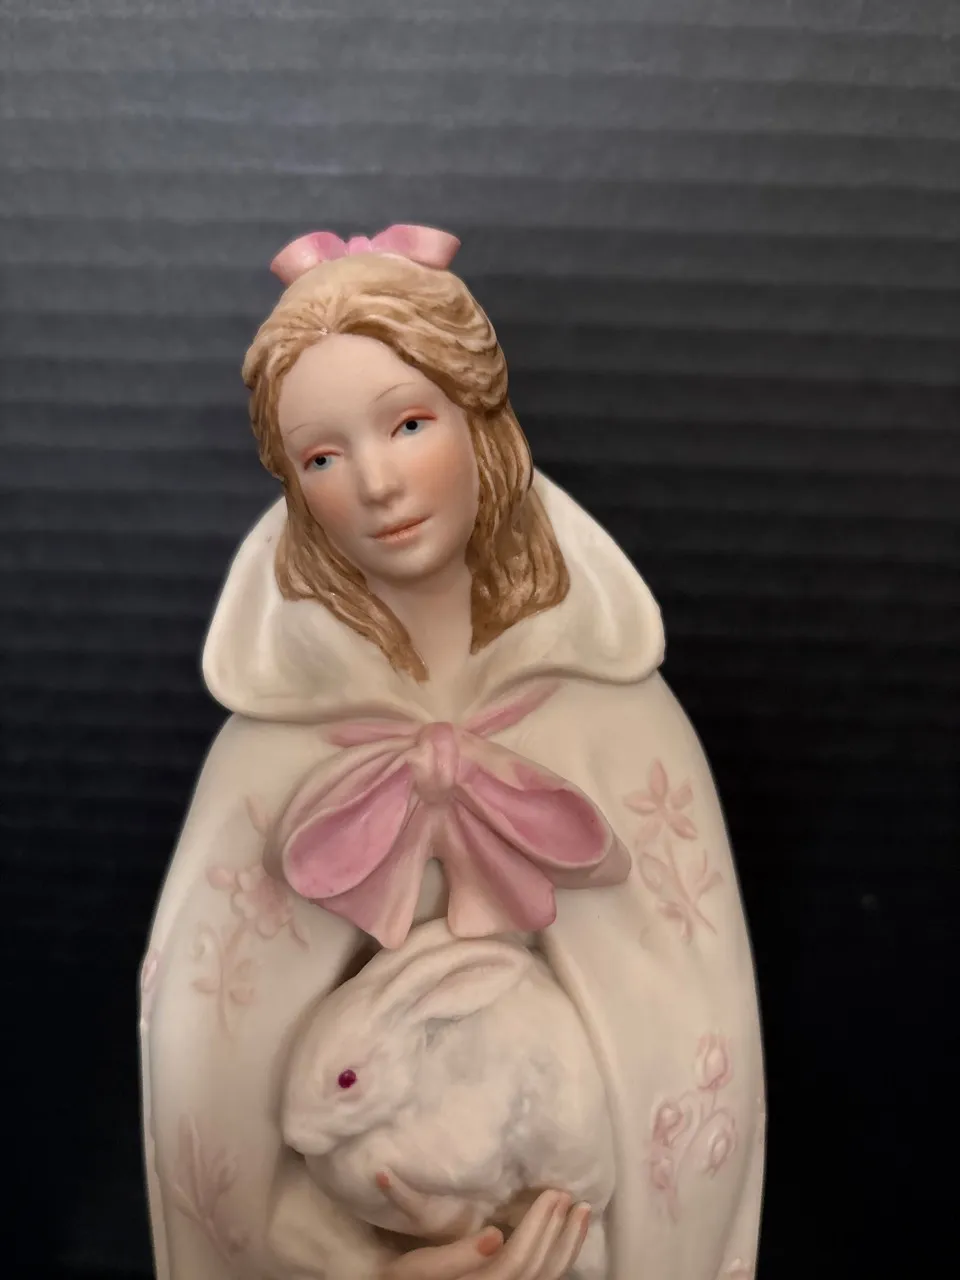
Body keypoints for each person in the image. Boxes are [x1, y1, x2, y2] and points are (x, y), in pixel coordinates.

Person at [139, 226, 765, 1279]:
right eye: (324, 457)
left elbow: (686, 1034)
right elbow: (212, 1082)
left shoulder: (614, 717)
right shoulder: (273, 748)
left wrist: (585, 1247)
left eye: (408, 423)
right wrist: (357, 1265)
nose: (377, 483)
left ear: (482, 422)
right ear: (295, 488)